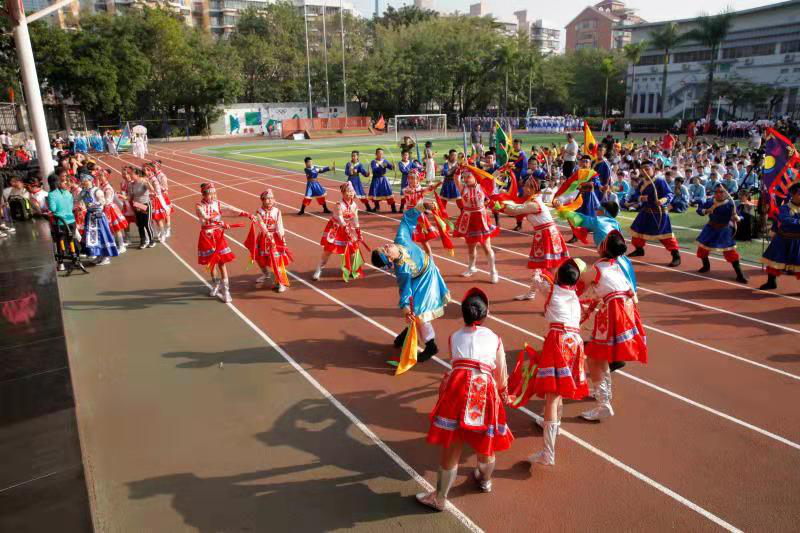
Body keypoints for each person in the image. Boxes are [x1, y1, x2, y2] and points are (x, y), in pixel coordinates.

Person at [415, 287, 512, 511]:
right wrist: (504, 391)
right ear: (485, 314)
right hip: (484, 387)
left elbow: (455, 363)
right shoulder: (495, 338)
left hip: (458, 388)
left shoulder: (454, 337)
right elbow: (501, 372)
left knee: (453, 444)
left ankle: (440, 498)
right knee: (485, 443)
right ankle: (485, 480)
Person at [525, 259, 588, 466]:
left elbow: (538, 278)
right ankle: (554, 424)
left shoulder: (552, 290)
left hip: (558, 341)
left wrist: (539, 269)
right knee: (559, 389)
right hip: (574, 342)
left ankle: (548, 452)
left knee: (552, 395)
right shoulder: (575, 298)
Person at [580, 231, 647, 421]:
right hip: (625, 311)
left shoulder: (596, 269)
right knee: (601, 356)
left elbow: (580, 287)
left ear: (604, 248)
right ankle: (604, 395)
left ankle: (603, 404)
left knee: (593, 357)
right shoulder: (616, 265)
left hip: (613, 313)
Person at [371, 202, 450, 361]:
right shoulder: (402, 270)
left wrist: (421, 207)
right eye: (385, 250)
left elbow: (407, 219)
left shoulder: (400, 238)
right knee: (418, 313)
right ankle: (430, 345)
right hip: (418, 278)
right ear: (390, 258)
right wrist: (406, 309)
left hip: (427, 272)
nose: (386, 245)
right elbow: (405, 291)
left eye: (383, 246)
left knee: (419, 312)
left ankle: (411, 336)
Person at [500, 178, 569, 300]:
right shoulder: (532, 201)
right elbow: (518, 207)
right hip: (544, 234)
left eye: (527, 186)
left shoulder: (533, 203)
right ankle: (532, 293)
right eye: (524, 185)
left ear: (533, 189)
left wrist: (498, 205)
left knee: (551, 268)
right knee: (540, 266)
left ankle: (558, 298)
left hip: (547, 234)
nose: (524, 188)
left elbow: (516, 210)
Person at [196, 183, 251, 303]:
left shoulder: (218, 204)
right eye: (210, 194)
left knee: (221, 263)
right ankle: (216, 284)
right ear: (204, 194)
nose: (213, 196)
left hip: (217, 236)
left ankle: (226, 291)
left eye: (214, 194)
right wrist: (219, 222)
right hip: (206, 236)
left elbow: (231, 211)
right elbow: (204, 216)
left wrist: (247, 214)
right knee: (211, 263)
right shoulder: (199, 205)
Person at [628, 160, 682, 267]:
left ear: (653, 170)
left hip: (659, 212)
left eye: (647, 169)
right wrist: (640, 197)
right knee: (636, 232)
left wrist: (663, 200)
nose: (645, 171)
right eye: (643, 170)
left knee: (664, 235)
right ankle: (639, 250)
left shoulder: (660, 181)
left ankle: (676, 255)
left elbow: (670, 194)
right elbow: (635, 195)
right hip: (645, 212)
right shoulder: (642, 183)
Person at [453, 166, 499, 283]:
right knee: (471, 247)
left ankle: (493, 271)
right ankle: (471, 267)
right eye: (465, 177)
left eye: (469, 177)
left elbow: (493, 177)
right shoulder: (462, 188)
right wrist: (459, 168)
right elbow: (456, 177)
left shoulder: (482, 187)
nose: (466, 179)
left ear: (475, 177)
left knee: (486, 247)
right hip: (468, 219)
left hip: (481, 219)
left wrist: (503, 169)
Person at [696, 184, 748, 283]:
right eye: (716, 192)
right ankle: (706, 266)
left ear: (726, 193)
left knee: (730, 252)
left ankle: (739, 274)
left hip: (724, 230)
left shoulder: (730, 204)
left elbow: (740, 216)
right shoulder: (710, 201)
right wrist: (706, 210)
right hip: (710, 228)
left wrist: (738, 218)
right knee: (702, 249)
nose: (718, 194)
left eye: (721, 192)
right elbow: (699, 210)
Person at [313, 182, 361, 281]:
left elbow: (355, 217)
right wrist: (345, 227)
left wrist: (357, 229)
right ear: (343, 193)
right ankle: (319, 270)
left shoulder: (354, 204)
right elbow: (339, 218)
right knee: (328, 251)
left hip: (348, 229)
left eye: (352, 191)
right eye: (348, 191)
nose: (350, 193)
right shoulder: (339, 205)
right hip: (336, 229)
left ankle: (351, 270)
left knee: (352, 251)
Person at [760, 183, 800, 290]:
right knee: (774, 261)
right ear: (793, 194)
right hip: (783, 239)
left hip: (798, 241)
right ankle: (771, 282)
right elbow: (785, 220)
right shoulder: (785, 208)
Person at [251, 189, 291, 293]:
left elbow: (279, 225)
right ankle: (266, 274)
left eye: (271, 198)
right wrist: (266, 233)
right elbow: (261, 224)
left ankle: (280, 282)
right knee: (259, 258)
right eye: (267, 198)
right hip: (263, 238)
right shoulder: (259, 211)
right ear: (263, 200)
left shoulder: (277, 211)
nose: (270, 200)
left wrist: (282, 237)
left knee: (276, 261)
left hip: (275, 238)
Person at [78, 175, 119, 265]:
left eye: (86, 181)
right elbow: (80, 201)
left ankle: (106, 257)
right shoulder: (84, 192)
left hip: (98, 215)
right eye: (83, 181)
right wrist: (81, 206)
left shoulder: (97, 190)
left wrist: (94, 204)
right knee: (93, 237)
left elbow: (103, 201)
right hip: (90, 216)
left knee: (102, 235)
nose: (84, 182)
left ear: (91, 181)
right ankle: (98, 255)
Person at [401, 169, 441, 256]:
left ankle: (431, 261)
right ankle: (405, 260)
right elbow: (406, 191)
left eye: (413, 178)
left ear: (418, 179)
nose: (411, 180)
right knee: (405, 239)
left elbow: (429, 189)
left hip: (419, 216)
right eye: (410, 178)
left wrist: (434, 185)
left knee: (424, 241)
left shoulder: (421, 189)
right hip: (409, 217)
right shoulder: (406, 189)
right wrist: (413, 191)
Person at [47, 172, 78, 271]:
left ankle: (61, 263)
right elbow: (71, 207)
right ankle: (75, 259)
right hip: (71, 220)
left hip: (60, 222)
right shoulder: (68, 193)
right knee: (71, 239)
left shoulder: (52, 194)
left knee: (60, 241)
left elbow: (53, 208)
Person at [97, 170, 128, 253]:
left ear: (106, 176)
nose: (100, 177)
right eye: (99, 175)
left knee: (116, 228)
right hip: (105, 209)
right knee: (110, 229)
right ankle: (113, 244)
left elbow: (106, 201)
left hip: (110, 209)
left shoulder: (108, 188)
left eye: (101, 176)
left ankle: (121, 245)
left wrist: (98, 204)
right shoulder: (102, 186)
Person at [129, 170, 156, 249]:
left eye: (132, 174)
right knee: (140, 225)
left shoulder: (143, 182)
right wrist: (122, 197)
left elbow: (152, 190)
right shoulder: (132, 184)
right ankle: (143, 242)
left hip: (145, 205)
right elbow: (130, 196)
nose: (130, 176)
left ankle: (152, 241)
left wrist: (148, 182)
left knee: (147, 224)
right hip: (137, 205)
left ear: (137, 175)